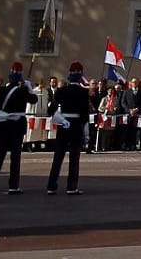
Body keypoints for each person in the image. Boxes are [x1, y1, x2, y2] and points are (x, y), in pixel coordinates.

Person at [0, 63, 33, 194]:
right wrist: (29, 88)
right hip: (17, 126)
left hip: (4, 126)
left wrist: (2, 116)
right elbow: (33, 99)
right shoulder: (22, 91)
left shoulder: (1, 90)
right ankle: (13, 185)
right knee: (15, 157)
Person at [46, 63, 93, 195]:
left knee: (58, 157)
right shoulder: (83, 92)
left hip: (64, 124)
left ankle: (51, 185)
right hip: (76, 125)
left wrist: (61, 118)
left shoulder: (61, 91)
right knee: (74, 158)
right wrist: (86, 133)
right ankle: (71, 186)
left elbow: (51, 109)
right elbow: (84, 114)